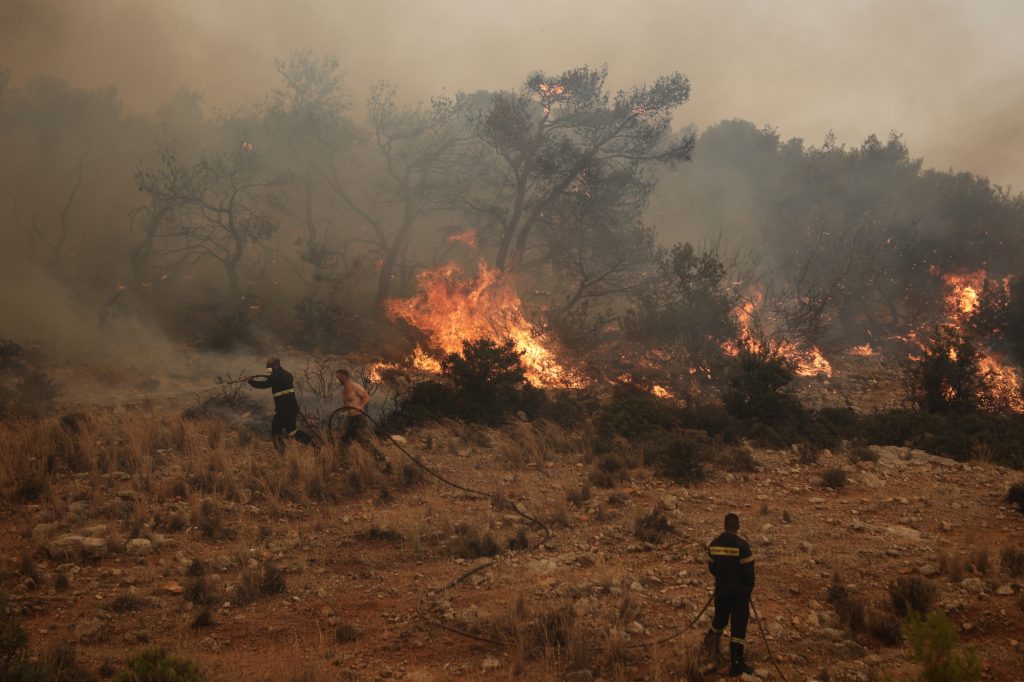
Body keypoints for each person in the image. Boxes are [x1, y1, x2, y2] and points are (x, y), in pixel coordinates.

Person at [703, 512, 756, 676]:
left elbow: (712, 568)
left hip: (722, 591)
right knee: (738, 626)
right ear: (738, 526)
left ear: (724, 526)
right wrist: (748, 588)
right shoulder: (742, 545)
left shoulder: (714, 544)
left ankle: (711, 643)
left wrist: (723, 579)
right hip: (739, 594)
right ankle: (737, 664)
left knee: (720, 618)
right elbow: (749, 574)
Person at [247, 357, 311, 451]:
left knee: (291, 432)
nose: (268, 369)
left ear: (274, 366)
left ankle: (314, 445)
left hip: (286, 410)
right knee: (276, 432)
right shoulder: (287, 374)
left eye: (269, 367)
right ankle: (282, 453)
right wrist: (271, 377)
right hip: (284, 410)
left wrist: (250, 381)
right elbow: (274, 381)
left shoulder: (276, 376)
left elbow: (263, 385)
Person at [335, 368, 389, 471]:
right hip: (350, 418)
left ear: (344, 377)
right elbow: (347, 405)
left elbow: (367, 398)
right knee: (344, 441)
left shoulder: (356, 387)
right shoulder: (344, 391)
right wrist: (341, 411)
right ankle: (344, 464)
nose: (338, 380)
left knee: (362, 441)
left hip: (358, 417)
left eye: (338, 378)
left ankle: (382, 458)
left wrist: (360, 406)